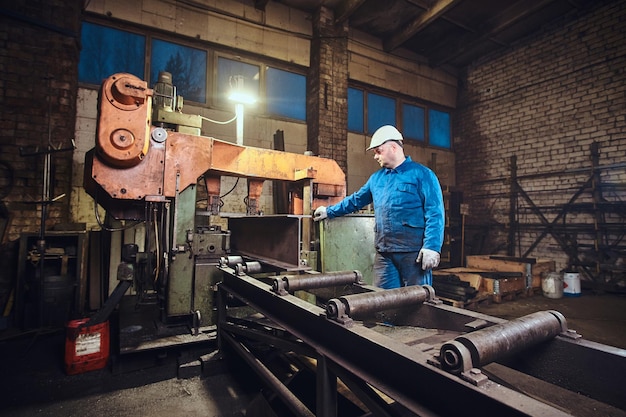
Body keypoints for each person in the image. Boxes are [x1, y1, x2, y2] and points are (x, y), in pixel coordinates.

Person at [313, 125, 445, 289]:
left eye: (378, 151)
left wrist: (432, 247)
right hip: (385, 253)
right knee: (383, 302)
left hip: (413, 254)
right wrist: (329, 211)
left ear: (393, 147)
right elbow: (356, 200)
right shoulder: (376, 179)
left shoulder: (422, 175)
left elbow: (435, 213)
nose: (375, 156)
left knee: (418, 304)